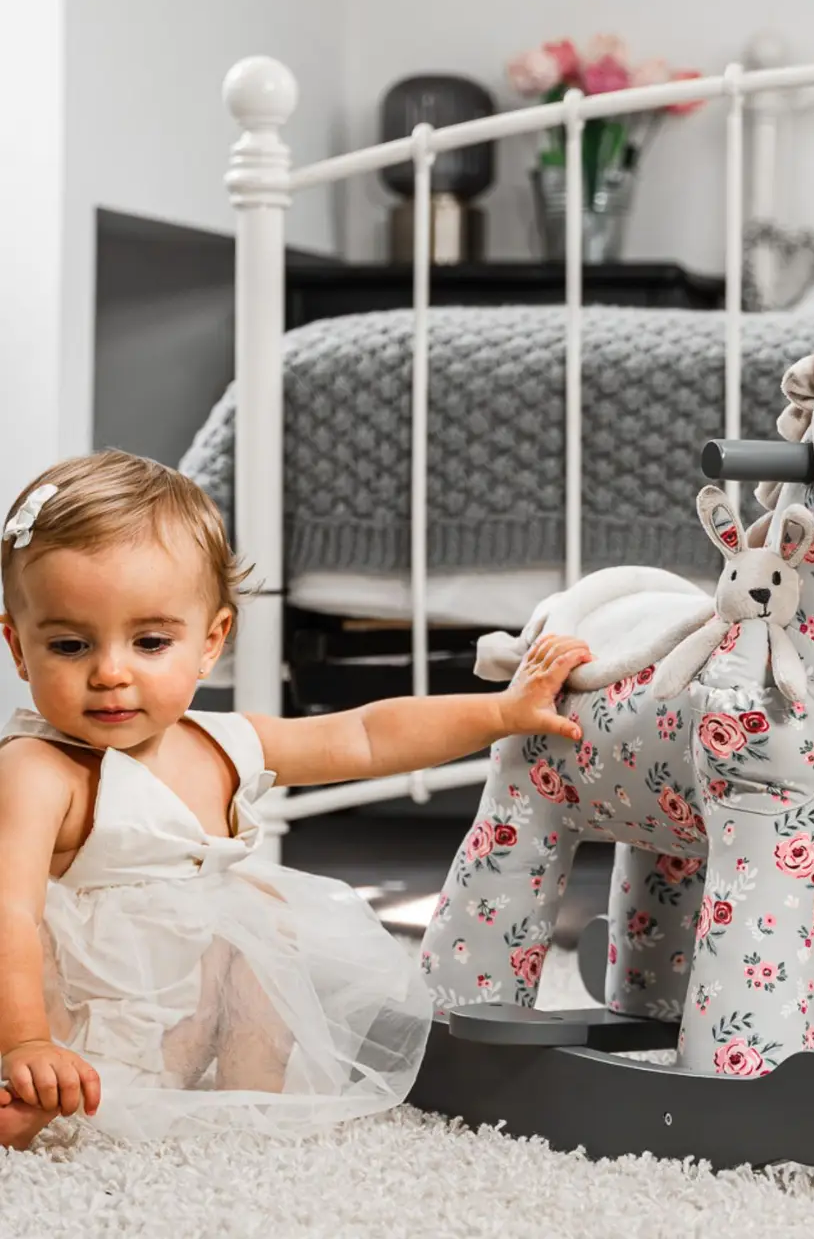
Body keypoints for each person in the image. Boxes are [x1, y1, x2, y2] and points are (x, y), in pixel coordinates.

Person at [0, 451, 591, 1149]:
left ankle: (254, 1100)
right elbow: (10, 911)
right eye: (70, 645)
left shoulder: (223, 743)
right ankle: (33, 1087)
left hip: (175, 1018)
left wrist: (499, 713)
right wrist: (25, 1041)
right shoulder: (42, 770)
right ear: (18, 650)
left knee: (265, 919)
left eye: (151, 641)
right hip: (64, 1014)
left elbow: (365, 736)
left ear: (211, 641)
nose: (110, 672)